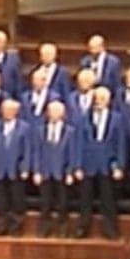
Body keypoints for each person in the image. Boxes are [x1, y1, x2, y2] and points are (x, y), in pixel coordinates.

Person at [77, 86, 124, 239]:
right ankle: (82, 228)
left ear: (109, 101)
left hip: (107, 164)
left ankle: (110, 229)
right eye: (97, 98)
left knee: (108, 199)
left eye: (103, 99)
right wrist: (78, 166)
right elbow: (79, 144)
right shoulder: (84, 117)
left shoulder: (116, 118)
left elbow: (120, 144)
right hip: (88, 164)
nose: (99, 101)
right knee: (85, 199)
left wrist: (119, 166)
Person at [0, 97, 34, 236]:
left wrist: (25, 167)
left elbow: (27, 149)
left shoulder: (25, 127)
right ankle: (1, 226)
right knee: (0, 201)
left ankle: (16, 227)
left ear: (16, 112)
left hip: (16, 169)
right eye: (5, 110)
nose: (8, 112)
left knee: (17, 200)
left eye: (11, 110)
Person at [33, 100, 79, 238]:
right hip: (45, 171)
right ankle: (44, 228)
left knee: (63, 202)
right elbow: (36, 151)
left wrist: (70, 171)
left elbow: (73, 152)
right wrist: (36, 171)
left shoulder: (70, 131)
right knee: (45, 202)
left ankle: (62, 228)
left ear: (63, 114)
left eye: (57, 112)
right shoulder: (40, 130)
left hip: (62, 172)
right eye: (51, 111)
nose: (54, 114)